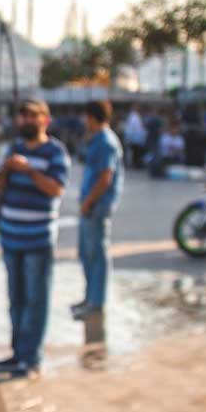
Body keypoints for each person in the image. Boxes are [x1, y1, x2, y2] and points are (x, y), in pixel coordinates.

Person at [0, 98, 70, 378]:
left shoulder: (55, 152)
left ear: (45, 121)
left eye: (32, 117)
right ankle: (17, 353)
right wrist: (5, 170)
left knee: (36, 300)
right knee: (16, 299)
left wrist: (30, 171)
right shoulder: (14, 149)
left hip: (37, 238)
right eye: (22, 117)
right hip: (11, 236)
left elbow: (56, 189)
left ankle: (32, 358)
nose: (26, 121)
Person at [74, 100, 123, 321]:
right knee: (87, 253)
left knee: (97, 255)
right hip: (91, 204)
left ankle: (96, 302)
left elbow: (105, 177)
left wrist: (89, 201)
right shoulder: (96, 140)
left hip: (97, 205)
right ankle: (90, 297)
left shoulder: (106, 142)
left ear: (92, 117)